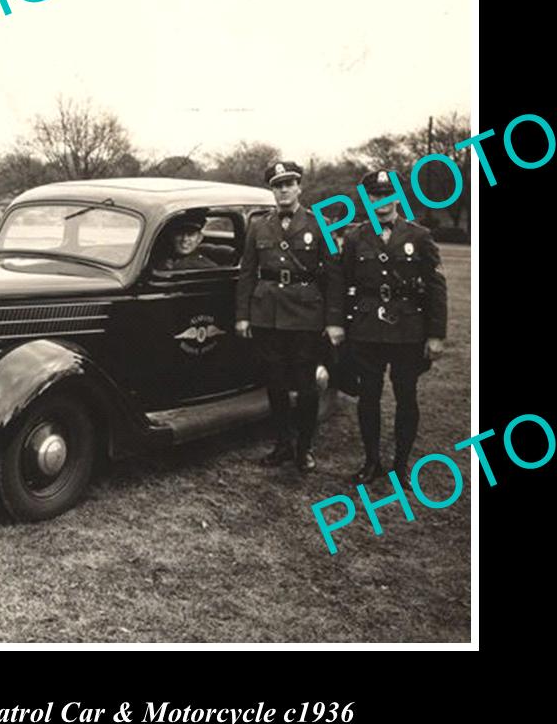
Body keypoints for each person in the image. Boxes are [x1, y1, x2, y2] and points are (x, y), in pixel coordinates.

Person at [235, 161, 344, 473]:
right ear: (272, 190)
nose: (283, 190)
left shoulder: (318, 223)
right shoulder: (258, 225)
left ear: (299, 187)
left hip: (305, 315)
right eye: (277, 185)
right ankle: (282, 444)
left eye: (288, 184)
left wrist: (333, 320)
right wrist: (243, 315)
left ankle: (304, 448)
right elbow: (246, 273)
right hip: (266, 314)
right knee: (275, 382)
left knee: (306, 385)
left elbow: (334, 276)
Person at [342, 170, 447, 485]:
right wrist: (341, 326)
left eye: (388, 195)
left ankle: (401, 466)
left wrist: (435, 334)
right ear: (368, 198)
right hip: (367, 328)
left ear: (398, 197)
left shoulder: (419, 236)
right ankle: (371, 462)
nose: (381, 202)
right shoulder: (354, 237)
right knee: (368, 397)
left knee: (406, 395)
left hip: (407, 330)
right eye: (375, 195)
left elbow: (436, 287)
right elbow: (343, 284)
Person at [153, 210, 219, 273]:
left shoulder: (206, 267)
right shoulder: (158, 258)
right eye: (179, 233)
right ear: (172, 236)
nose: (185, 239)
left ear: (199, 238)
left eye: (190, 234)